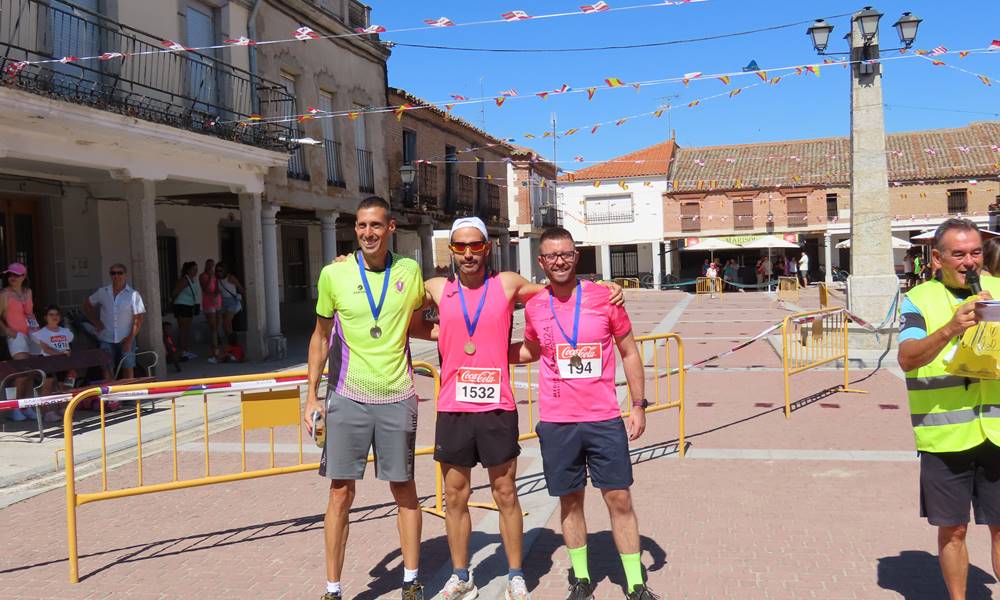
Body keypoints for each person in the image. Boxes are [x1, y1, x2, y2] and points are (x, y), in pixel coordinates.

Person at [407, 217, 624, 600]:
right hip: (454, 406)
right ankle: (461, 576)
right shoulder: (436, 288)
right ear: (451, 250)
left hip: (497, 405)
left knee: (505, 492)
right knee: (454, 495)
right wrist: (444, 333)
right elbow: (404, 315)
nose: (468, 253)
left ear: (487, 247)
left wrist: (603, 288)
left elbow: (557, 286)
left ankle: (515, 573)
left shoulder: (507, 283)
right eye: (460, 247)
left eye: (476, 245)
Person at [509, 227, 657, 600]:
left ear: (577, 257)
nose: (559, 261)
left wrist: (638, 405)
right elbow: (530, 350)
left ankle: (635, 584)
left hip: (603, 418)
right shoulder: (536, 305)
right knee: (570, 500)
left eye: (566, 254)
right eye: (551, 256)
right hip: (558, 421)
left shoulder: (605, 298)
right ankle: (581, 578)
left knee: (619, 498)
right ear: (541, 262)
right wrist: (487, 352)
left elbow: (629, 352)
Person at [304, 197, 426, 600]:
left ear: (391, 227)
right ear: (354, 229)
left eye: (375, 225)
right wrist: (311, 398)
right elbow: (321, 338)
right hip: (347, 397)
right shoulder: (333, 275)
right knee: (340, 491)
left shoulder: (409, 271)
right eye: (361, 226)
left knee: (403, 487)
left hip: (397, 396)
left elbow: (429, 304)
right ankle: (332, 589)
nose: (368, 233)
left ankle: (411, 579)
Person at [897, 218, 1000, 600]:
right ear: (937, 258)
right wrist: (950, 329)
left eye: (975, 252)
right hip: (945, 435)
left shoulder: (999, 292)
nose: (969, 262)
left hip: (997, 431)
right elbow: (907, 358)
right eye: (959, 254)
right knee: (953, 529)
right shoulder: (918, 299)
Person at [83, 263, 145, 380]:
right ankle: (111, 397)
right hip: (106, 337)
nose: (116, 276)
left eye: (119, 273)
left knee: (128, 366)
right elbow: (87, 305)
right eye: (113, 273)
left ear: (125, 275)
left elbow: (139, 318)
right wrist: (96, 322)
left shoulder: (133, 295)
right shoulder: (103, 292)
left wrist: (130, 338)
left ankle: (129, 395)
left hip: (126, 337)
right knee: (106, 368)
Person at [0, 262, 41, 421]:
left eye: (16, 275)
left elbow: (30, 314)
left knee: (31, 371)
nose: (12, 278)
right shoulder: (5, 294)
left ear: (23, 276)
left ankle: (27, 405)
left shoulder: (28, 292)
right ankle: (15, 407)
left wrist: (38, 332)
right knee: (21, 371)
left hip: (31, 334)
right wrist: (7, 331)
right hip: (15, 335)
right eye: (10, 275)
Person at [31, 305, 76, 421]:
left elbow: (67, 346)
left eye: (56, 314)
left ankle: (62, 409)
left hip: (62, 363)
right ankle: (48, 412)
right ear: (46, 317)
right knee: (48, 386)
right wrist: (60, 354)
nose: (54, 317)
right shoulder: (42, 333)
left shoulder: (65, 332)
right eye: (51, 315)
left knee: (62, 386)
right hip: (48, 362)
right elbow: (46, 349)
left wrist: (67, 352)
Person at [170, 261, 200, 360]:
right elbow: (174, 292)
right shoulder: (184, 280)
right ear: (188, 270)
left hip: (189, 306)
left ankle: (185, 350)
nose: (196, 271)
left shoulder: (192, 280)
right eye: (193, 269)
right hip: (182, 305)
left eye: (196, 269)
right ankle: (182, 351)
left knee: (186, 330)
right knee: (183, 330)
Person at [215, 262, 245, 345]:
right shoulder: (218, 280)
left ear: (224, 270)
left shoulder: (230, 278)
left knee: (226, 322)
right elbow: (216, 292)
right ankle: (231, 342)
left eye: (220, 271)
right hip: (222, 302)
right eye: (217, 271)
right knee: (227, 325)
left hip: (232, 301)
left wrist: (245, 300)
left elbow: (240, 288)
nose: (218, 273)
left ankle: (233, 343)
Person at [199, 259, 222, 358]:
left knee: (217, 324)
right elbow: (205, 289)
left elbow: (217, 288)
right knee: (212, 326)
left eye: (212, 265)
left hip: (217, 301)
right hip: (208, 302)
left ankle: (214, 343)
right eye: (209, 265)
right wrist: (210, 277)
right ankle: (215, 348)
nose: (211, 267)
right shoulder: (203, 276)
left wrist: (216, 292)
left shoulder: (215, 276)